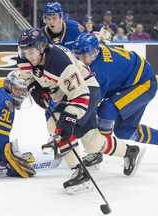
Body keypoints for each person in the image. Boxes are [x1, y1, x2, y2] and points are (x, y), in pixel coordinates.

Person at [17, 28, 145, 194]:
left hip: (86, 91)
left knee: (57, 126)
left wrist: (69, 118)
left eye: (31, 52)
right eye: (24, 51)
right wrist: (34, 88)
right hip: (66, 93)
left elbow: (81, 94)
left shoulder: (59, 62)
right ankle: (130, 151)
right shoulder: (24, 57)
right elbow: (28, 76)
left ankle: (79, 172)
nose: (28, 56)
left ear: (42, 47)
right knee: (92, 142)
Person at [73, 33, 157, 168]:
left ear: (94, 53)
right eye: (78, 56)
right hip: (131, 81)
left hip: (144, 83)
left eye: (84, 56)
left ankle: (98, 151)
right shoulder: (94, 56)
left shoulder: (100, 71)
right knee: (125, 131)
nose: (80, 60)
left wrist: (74, 123)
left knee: (106, 110)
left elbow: (92, 105)